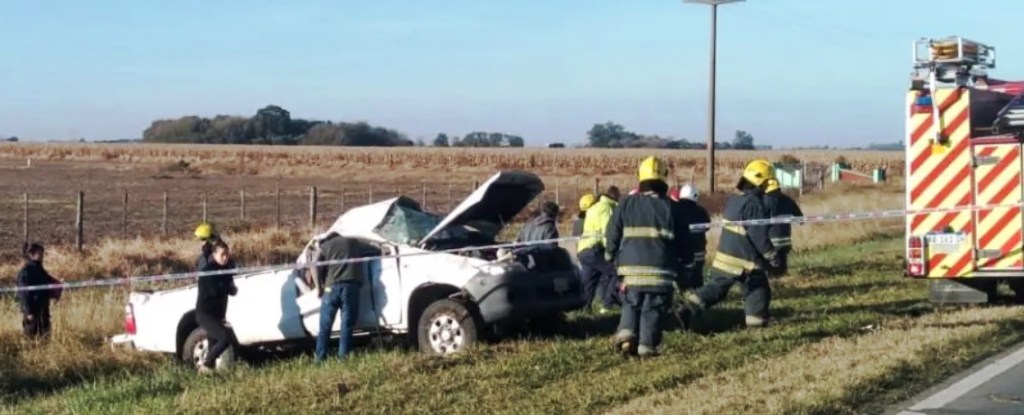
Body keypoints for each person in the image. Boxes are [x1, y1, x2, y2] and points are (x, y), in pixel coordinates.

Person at [607, 157, 694, 358]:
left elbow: (612, 233)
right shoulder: (673, 208)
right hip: (660, 270)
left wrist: (611, 255)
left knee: (631, 301)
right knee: (652, 307)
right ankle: (647, 347)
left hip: (630, 269)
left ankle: (627, 333)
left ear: (640, 178)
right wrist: (687, 265)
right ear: (664, 179)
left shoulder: (626, 203)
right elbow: (685, 242)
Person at [682, 159, 782, 329]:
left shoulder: (734, 200)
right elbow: (758, 236)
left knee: (716, 289)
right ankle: (756, 324)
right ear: (761, 182)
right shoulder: (755, 205)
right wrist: (772, 255)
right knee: (759, 290)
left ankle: (686, 308)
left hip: (724, 257)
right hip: (745, 261)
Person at [314, 232, 370, 363]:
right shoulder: (354, 242)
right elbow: (374, 249)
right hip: (351, 287)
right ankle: (343, 357)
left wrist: (318, 287)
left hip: (330, 288)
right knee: (347, 324)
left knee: (325, 326)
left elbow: (314, 264)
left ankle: (320, 358)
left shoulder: (325, 246)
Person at [195, 239, 238, 373]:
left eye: (227, 254)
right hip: (205, 314)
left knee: (214, 343)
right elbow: (215, 290)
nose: (225, 258)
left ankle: (208, 372)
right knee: (225, 337)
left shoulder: (225, 270)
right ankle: (206, 364)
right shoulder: (209, 271)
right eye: (222, 255)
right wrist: (227, 287)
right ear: (214, 254)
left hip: (218, 314)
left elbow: (233, 290)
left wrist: (227, 287)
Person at [577, 186, 621, 314]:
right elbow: (608, 231)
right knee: (617, 272)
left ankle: (584, 309)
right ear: (615, 197)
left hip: (583, 249)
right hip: (595, 249)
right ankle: (608, 304)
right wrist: (611, 252)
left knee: (590, 281)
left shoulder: (594, 207)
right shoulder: (606, 208)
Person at [16, 243, 62, 339]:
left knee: (45, 335)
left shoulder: (40, 270)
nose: (42, 256)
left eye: (42, 254)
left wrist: (57, 286)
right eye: (39, 253)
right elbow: (23, 293)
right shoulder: (26, 271)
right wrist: (29, 312)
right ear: (32, 254)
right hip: (33, 311)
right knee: (32, 337)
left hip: (43, 308)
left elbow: (48, 282)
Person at [762, 178, 803, 276]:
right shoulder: (787, 200)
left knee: (771, 263)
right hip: (785, 239)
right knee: (782, 262)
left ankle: (773, 277)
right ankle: (782, 275)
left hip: (771, 240)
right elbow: (800, 217)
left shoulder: (764, 201)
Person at [674, 184, 711, 290]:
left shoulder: (674, 209)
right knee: (697, 279)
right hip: (698, 252)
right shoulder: (700, 211)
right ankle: (697, 298)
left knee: (680, 278)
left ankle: (682, 295)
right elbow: (707, 226)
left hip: (679, 253)